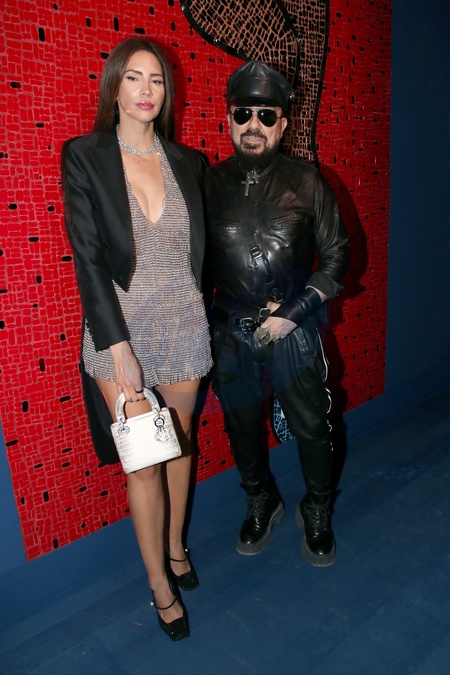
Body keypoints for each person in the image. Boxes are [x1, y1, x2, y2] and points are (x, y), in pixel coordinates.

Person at [61, 37, 212, 641]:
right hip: (117, 328)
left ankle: (176, 546)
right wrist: (117, 344)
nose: (147, 90)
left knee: (179, 443)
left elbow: (201, 252)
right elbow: (87, 257)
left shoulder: (188, 162)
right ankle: (159, 584)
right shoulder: (85, 156)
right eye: (134, 77)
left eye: (156, 80)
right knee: (146, 462)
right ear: (114, 86)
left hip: (183, 322)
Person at [203, 61, 349, 567]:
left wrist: (294, 311)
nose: (254, 125)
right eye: (243, 113)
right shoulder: (206, 185)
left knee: (312, 426)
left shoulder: (308, 183)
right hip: (231, 332)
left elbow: (337, 256)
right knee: (241, 426)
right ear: (228, 119)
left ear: (283, 124)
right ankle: (261, 499)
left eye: (267, 116)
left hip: (295, 328)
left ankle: (318, 508)